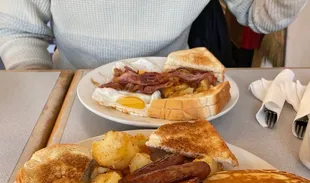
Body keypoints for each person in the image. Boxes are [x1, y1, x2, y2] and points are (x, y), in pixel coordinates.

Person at [0, 0, 307, 70]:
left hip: (173, 87)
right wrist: (42, 98)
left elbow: (259, 11)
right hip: (71, 85)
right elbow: (19, 29)